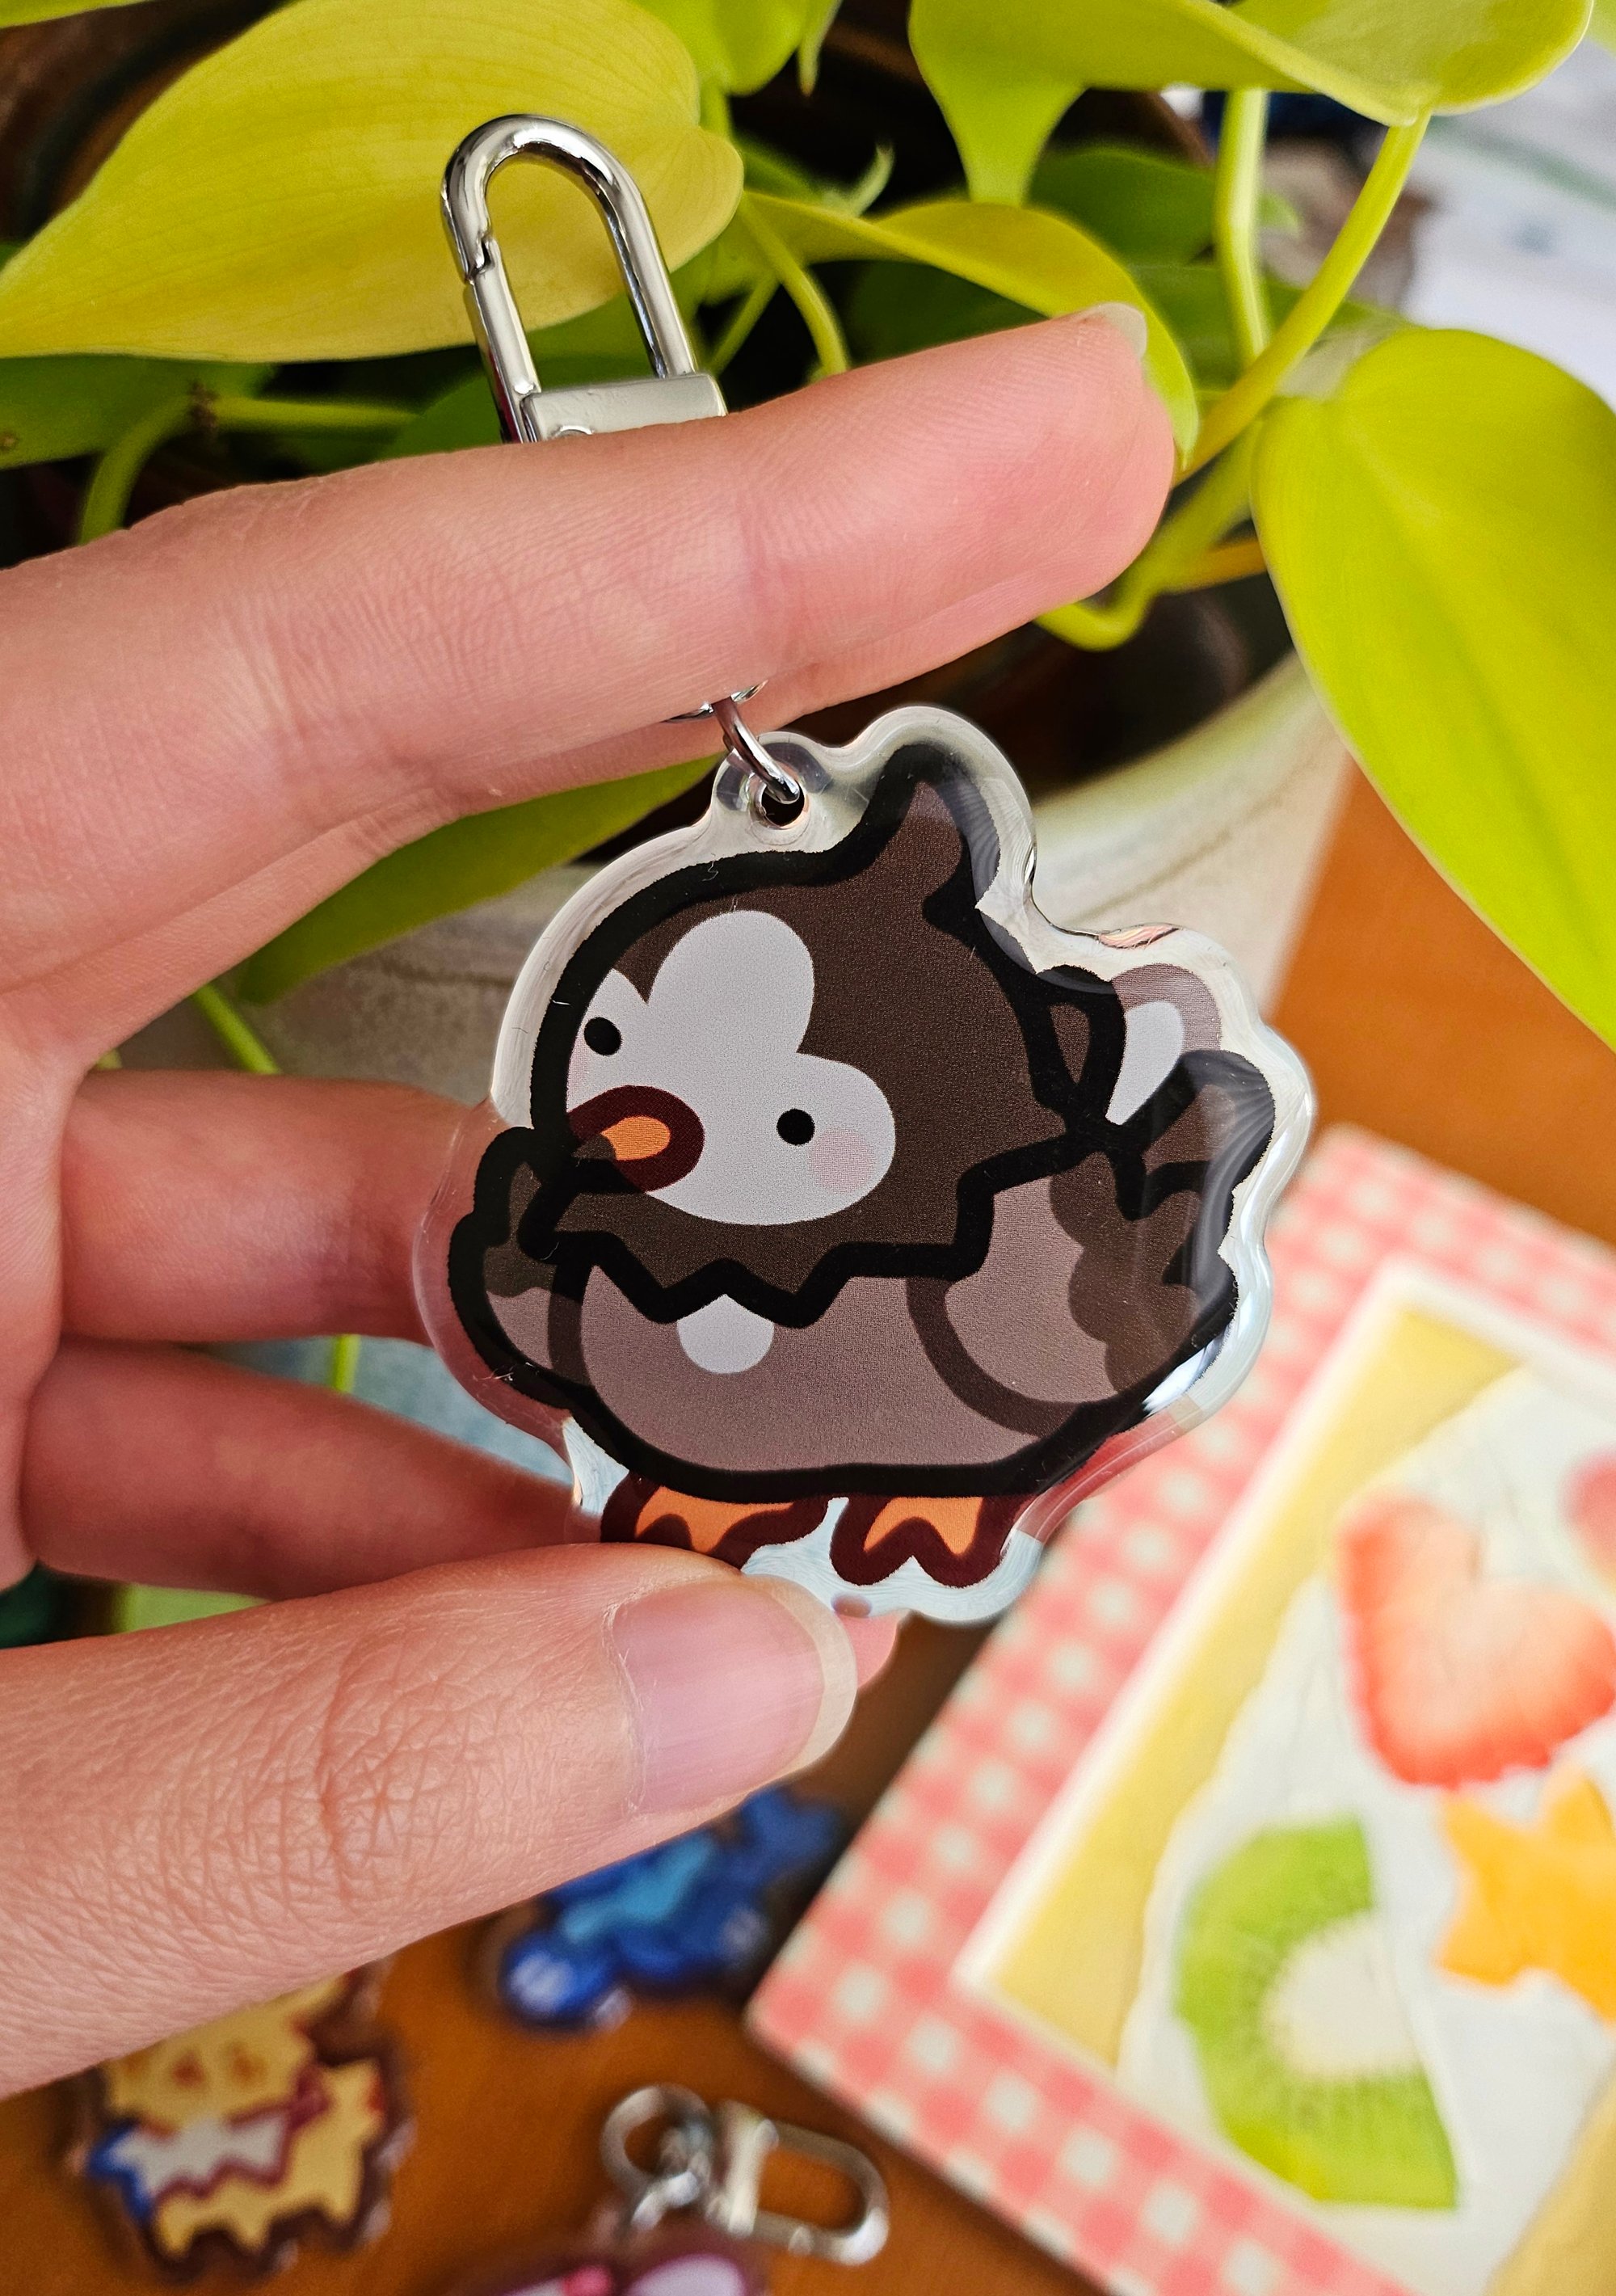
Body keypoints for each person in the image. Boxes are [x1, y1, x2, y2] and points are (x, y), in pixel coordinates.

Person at [0, 309, 1171, 2096]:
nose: (642, 1120)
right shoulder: (608, 1238)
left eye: (784, 1118)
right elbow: (558, 1295)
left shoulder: (958, 1283)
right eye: (617, 1051)